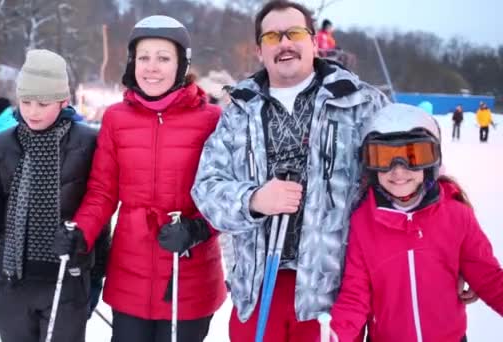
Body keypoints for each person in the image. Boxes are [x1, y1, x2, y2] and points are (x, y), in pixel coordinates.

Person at [191, 1, 389, 341]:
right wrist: (253, 200)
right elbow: (206, 189)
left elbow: (410, 181)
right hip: (259, 290)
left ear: (314, 42)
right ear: (259, 50)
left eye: (294, 33)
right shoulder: (239, 111)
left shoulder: (361, 103)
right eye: (272, 36)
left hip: (332, 293)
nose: (284, 43)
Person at [54, 15, 226, 342]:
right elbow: (102, 192)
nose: (151, 67)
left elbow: (229, 196)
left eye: (163, 58)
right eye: (143, 58)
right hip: (130, 270)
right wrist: (81, 233)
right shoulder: (117, 118)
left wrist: (198, 228)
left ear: (181, 64)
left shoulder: (212, 119)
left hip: (187, 271)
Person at [0, 49, 111, 342]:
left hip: (67, 281)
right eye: (26, 102)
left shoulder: (88, 143)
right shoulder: (0, 146)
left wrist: (96, 275)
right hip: (14, 282)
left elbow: (99, 210)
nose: (32, 111)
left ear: (64, 102)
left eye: (43, 103)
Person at [330, 103, 503, 342]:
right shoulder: (363, 223)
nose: (398, 172)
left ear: (432, 160)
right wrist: (334, 337)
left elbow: (490, 279)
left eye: (413, 156)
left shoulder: (456, 215)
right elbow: (354, 296)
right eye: (384, 158)